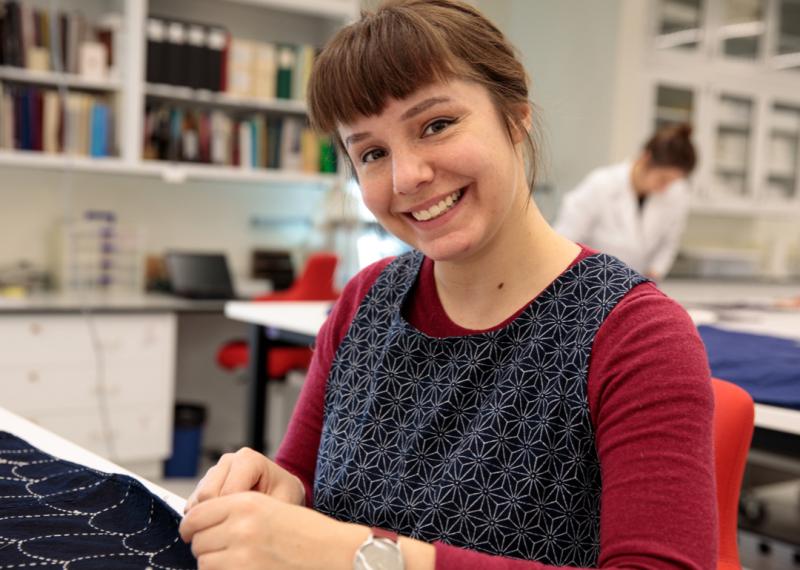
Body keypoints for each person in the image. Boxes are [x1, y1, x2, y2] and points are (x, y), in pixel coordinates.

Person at [178, 2, 716, 568]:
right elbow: (303, 489)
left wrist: (371, 557)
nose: (407, 176)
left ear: (515, 116)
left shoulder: (638, 337)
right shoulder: (367, 300)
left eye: (436, 125)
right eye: (372, 153)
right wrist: (275, 487)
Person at [554, 125, 697, 280]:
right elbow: (565, 240)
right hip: (590, 281)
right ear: (645, 158)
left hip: (637, 285)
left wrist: (654, 273)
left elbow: (669, 242)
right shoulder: (600, 185)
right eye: (663, 179)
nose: (665, 188)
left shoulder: (676, 193)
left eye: (673, 181)